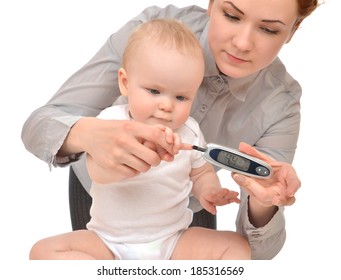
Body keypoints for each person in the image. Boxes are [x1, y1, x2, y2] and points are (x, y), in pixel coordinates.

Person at [22, 0, 320, 259]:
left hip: (182, 215)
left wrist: (263, 203)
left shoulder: (281, 104)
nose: (242, 43)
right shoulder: (151, 31)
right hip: (104, 213)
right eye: (231, 15)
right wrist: (91, 136)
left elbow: (259, 251)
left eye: (268, 29)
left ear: (292, 31)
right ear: (211, 4)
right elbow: (40, 124)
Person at [29, 19, 250, 260]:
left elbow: (201, 173)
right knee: (42, 252)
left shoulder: (190, 132)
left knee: (237, 246)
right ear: (125, 83)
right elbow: (98, 174)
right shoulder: (112, 122)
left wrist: (210, 191)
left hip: (173, 241)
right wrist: (130, 160)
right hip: (108, 242)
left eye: (181, 97)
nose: (166, 105)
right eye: (154, 91)